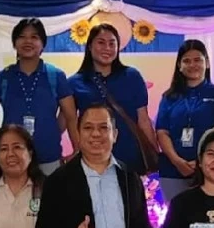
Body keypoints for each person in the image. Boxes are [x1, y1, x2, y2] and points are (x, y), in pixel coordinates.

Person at [0, 18, 77, 176]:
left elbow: (71, 116)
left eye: (34, 37)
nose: (28, 41)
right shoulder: (3, 77)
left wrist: (76, 149)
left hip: (49, 160)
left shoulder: (56, 76)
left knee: (49, 201)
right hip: (12, 161)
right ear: (14, 43)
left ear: (43, 44)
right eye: (22, 36)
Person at [67, 23, 158, 176]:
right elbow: (70, 121)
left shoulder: (132, 76)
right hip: (93, 158)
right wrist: (77, 150)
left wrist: (154, 155)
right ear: (89, 46)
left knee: (132, 198)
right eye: (101, 42)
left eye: (112, 43)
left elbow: (143, 119)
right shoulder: (75, 82)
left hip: (130, 157)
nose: (107, 48)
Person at [153, 39, 214, 205]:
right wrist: (177, 161)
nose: (192, 65)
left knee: (206, 222)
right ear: (179, 66)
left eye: (198, 60)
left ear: (207, 63)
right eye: (187, 61)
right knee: (178, 221)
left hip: (208, 170)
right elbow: (162, 132)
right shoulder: (169, 97)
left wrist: (201, 162)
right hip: (173, 170)